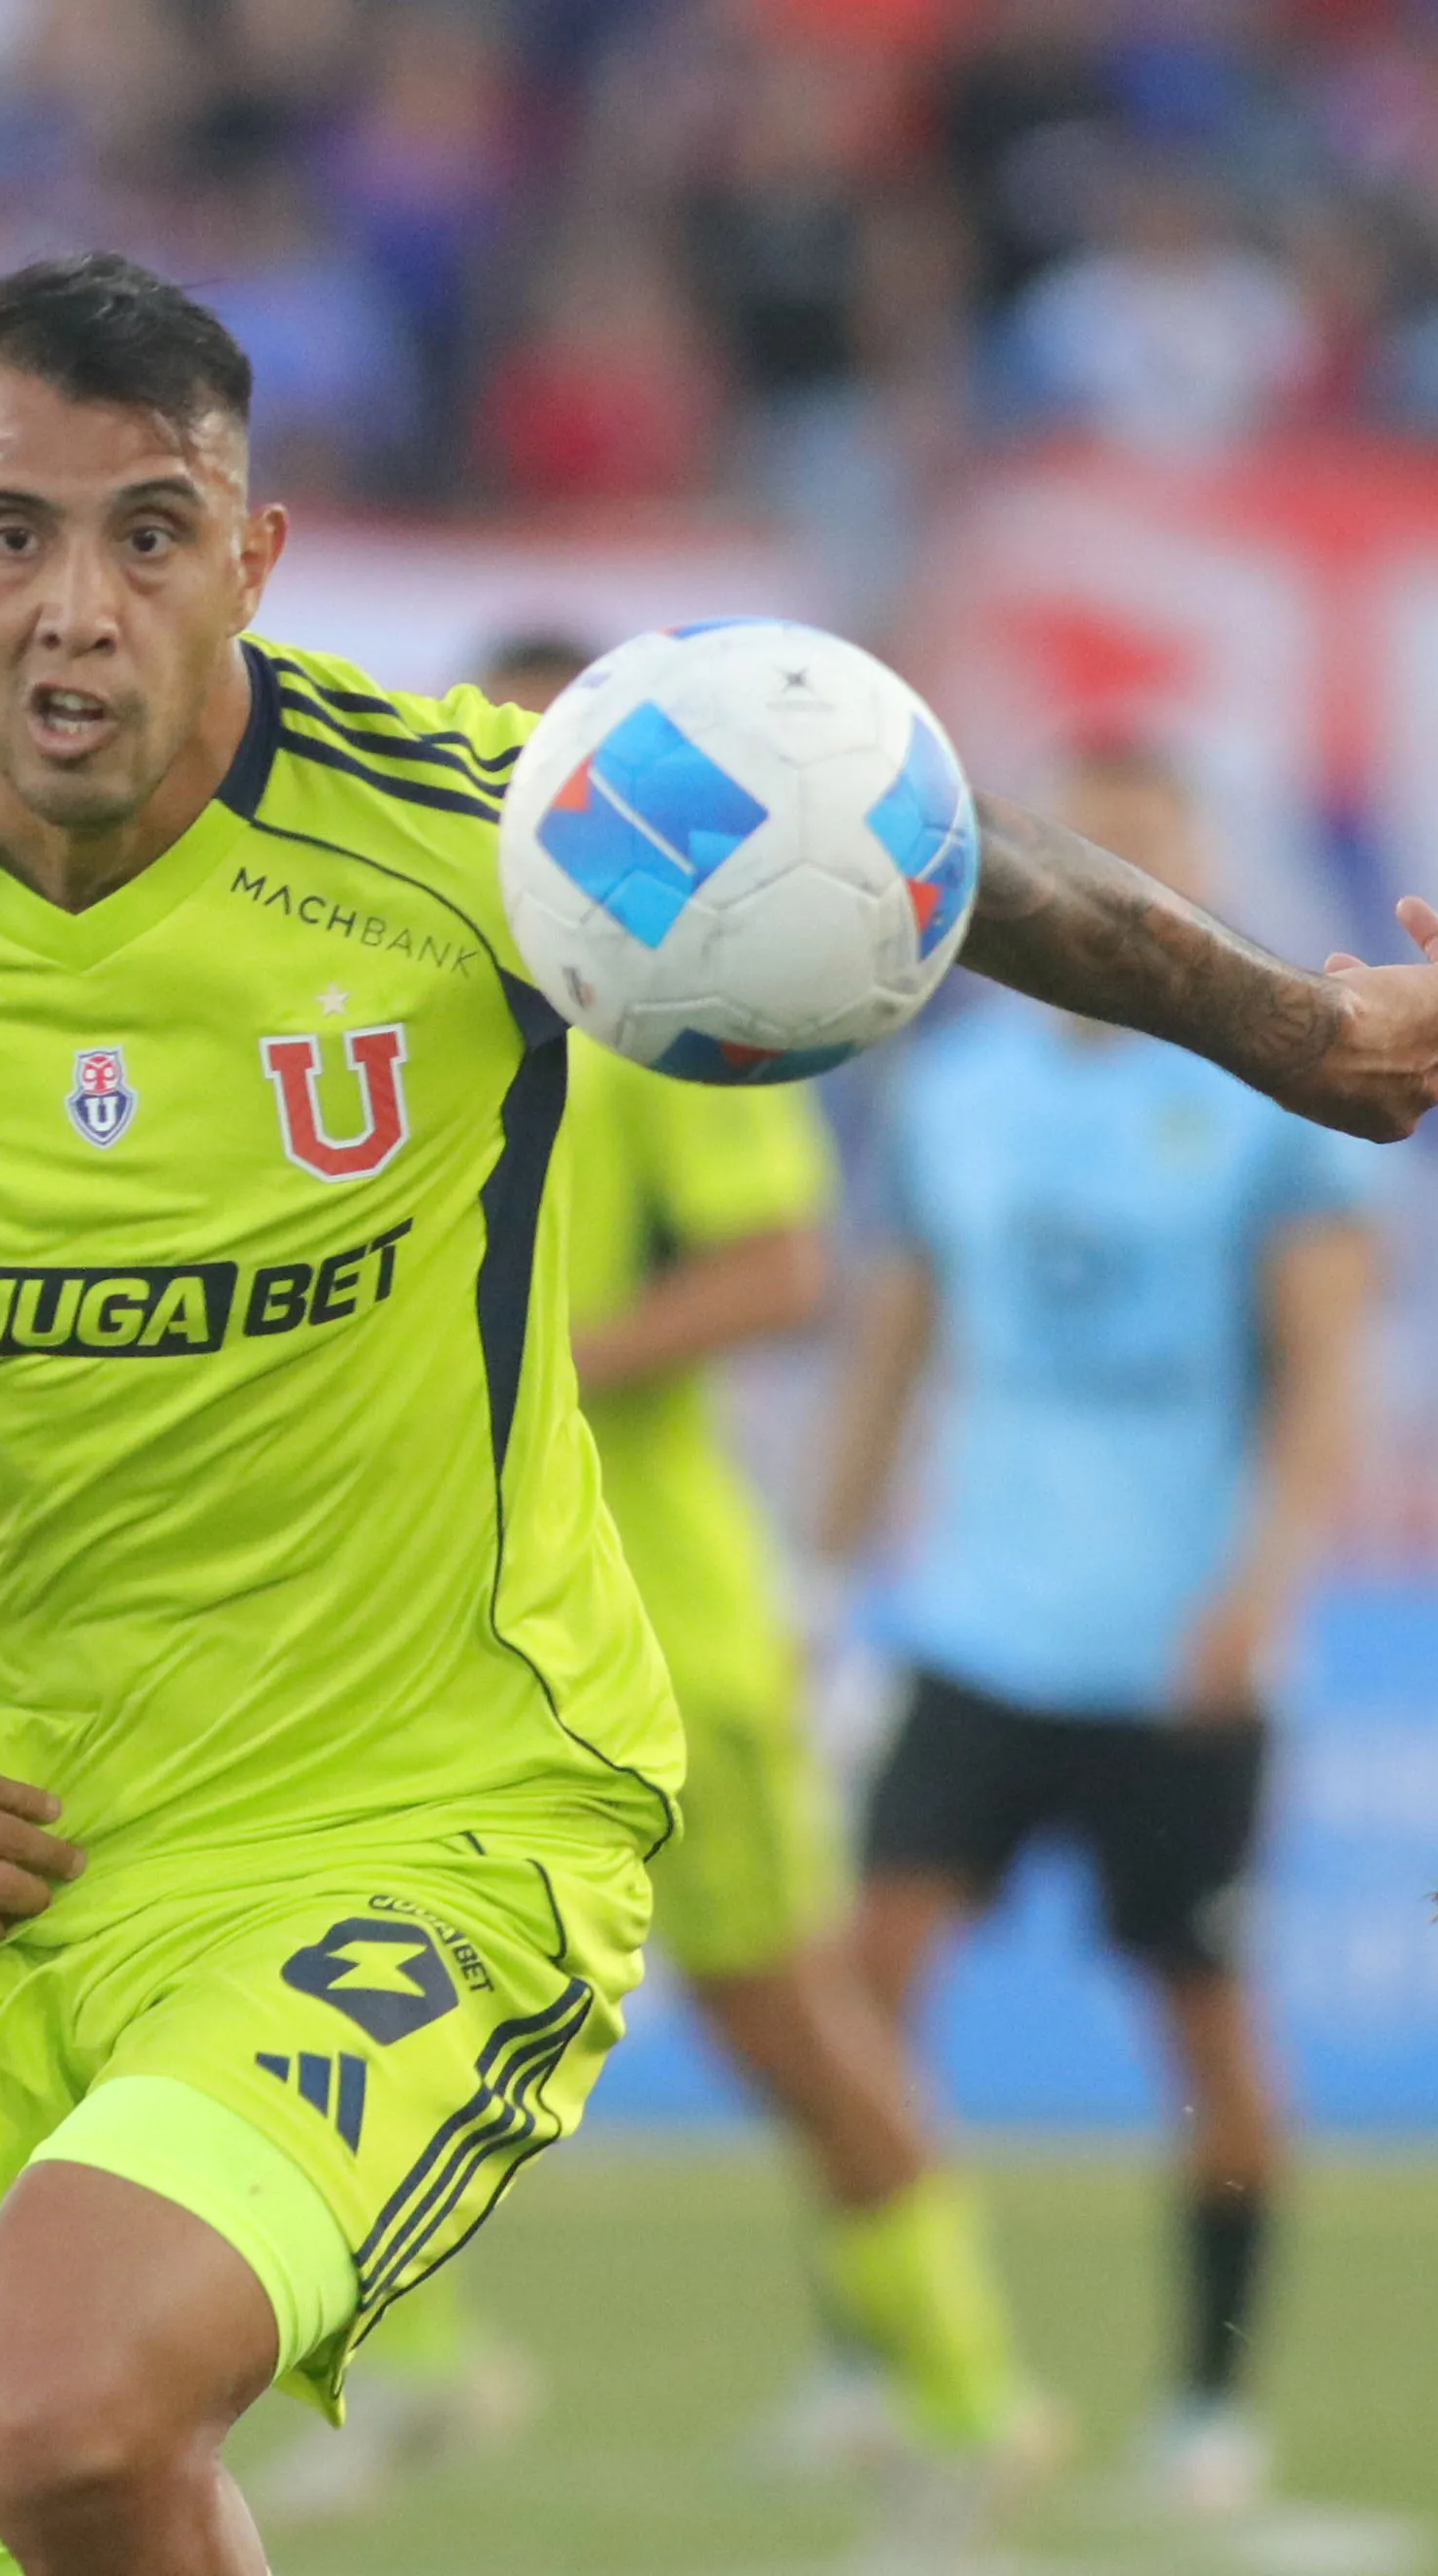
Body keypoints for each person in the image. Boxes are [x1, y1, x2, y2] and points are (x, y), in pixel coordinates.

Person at [0, 254, 1438, 2576]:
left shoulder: (457, 827)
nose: (79, 606)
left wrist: (1290, 1023)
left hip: (423, 1820)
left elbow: (901, 836)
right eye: (14, 531)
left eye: (152, 533)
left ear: (253, 562)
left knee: (65, 2399)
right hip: (5, 1846)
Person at [255, 634, 1046, 2542]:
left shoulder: (678, 981)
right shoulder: (397, 973)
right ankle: (418, 2369)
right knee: (290, 1976)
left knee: (785, 2018)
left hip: (663, 1611)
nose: (541, 787)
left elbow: (784, 1271)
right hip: (432, 1601)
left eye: (575, 757)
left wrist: (532, 1358)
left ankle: (969, 2398)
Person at [821, 739, 1385, 2525]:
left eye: (1157, 876)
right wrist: (817, 1579)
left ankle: (1211, 2405)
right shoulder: (960, 1093)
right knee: (865, 1992)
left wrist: (1261, 1592)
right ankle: (884, 2365)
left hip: (1178, 1649)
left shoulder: (1260, 1108)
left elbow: (1322, 1376)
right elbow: (896, 1347)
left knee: (1205, 2028)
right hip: (980, 1624)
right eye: (1101, 881)